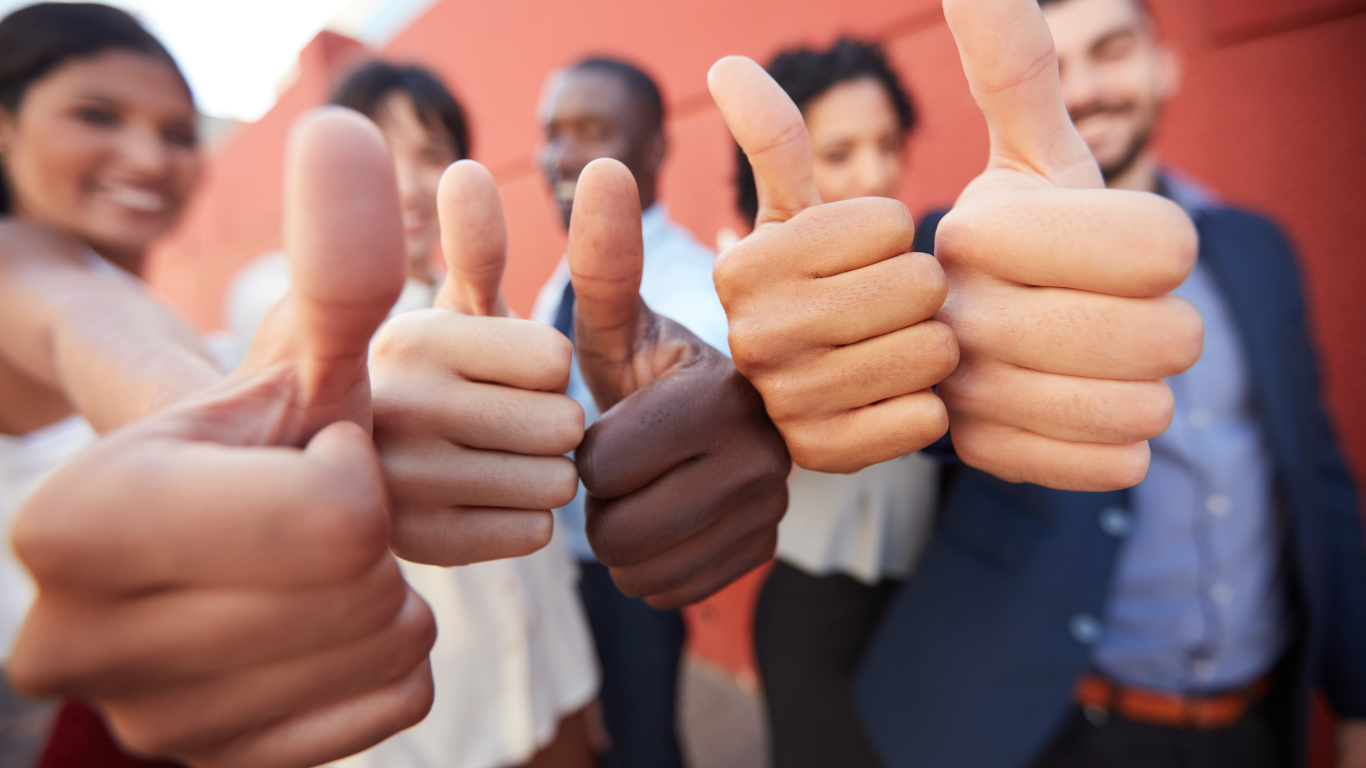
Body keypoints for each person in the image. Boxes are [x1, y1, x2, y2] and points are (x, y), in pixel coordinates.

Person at [0, 5, 582, 763]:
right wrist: (227, 432)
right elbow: (87, 324)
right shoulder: (24, 265)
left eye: (178, 133)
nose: (147, 156)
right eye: (96, 115)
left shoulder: (159, 303)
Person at [851, 0, 1366, 766]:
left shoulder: (1261, 250)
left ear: (1166, 62)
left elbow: (1317, 478)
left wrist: (1355, 698)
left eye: (1112, 50)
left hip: (1250, 729)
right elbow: (909, 368)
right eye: (1055, 63)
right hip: (1043, 727)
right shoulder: (964, 254)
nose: (1084, 87)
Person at [309, 60, 598, 768]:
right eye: (378, 153)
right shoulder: (300, 330)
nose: (407, 184)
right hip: (433, 716)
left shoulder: (488, 305)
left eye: (430, 155)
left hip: (550, 673)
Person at [732, 38, 940, 768]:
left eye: (887, 144)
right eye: (841, 152)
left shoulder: (932, 265)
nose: (877, 173)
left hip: (926, 609)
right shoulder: (761, 301)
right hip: (817, 613)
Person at [528, 56, 731, 768]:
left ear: (654, 149)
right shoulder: (560, 277)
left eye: (593, 131)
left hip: (626, 584)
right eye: (551, 132)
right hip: (549, 573)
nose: (562, 154)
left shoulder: (693, 290)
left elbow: (717, 385)